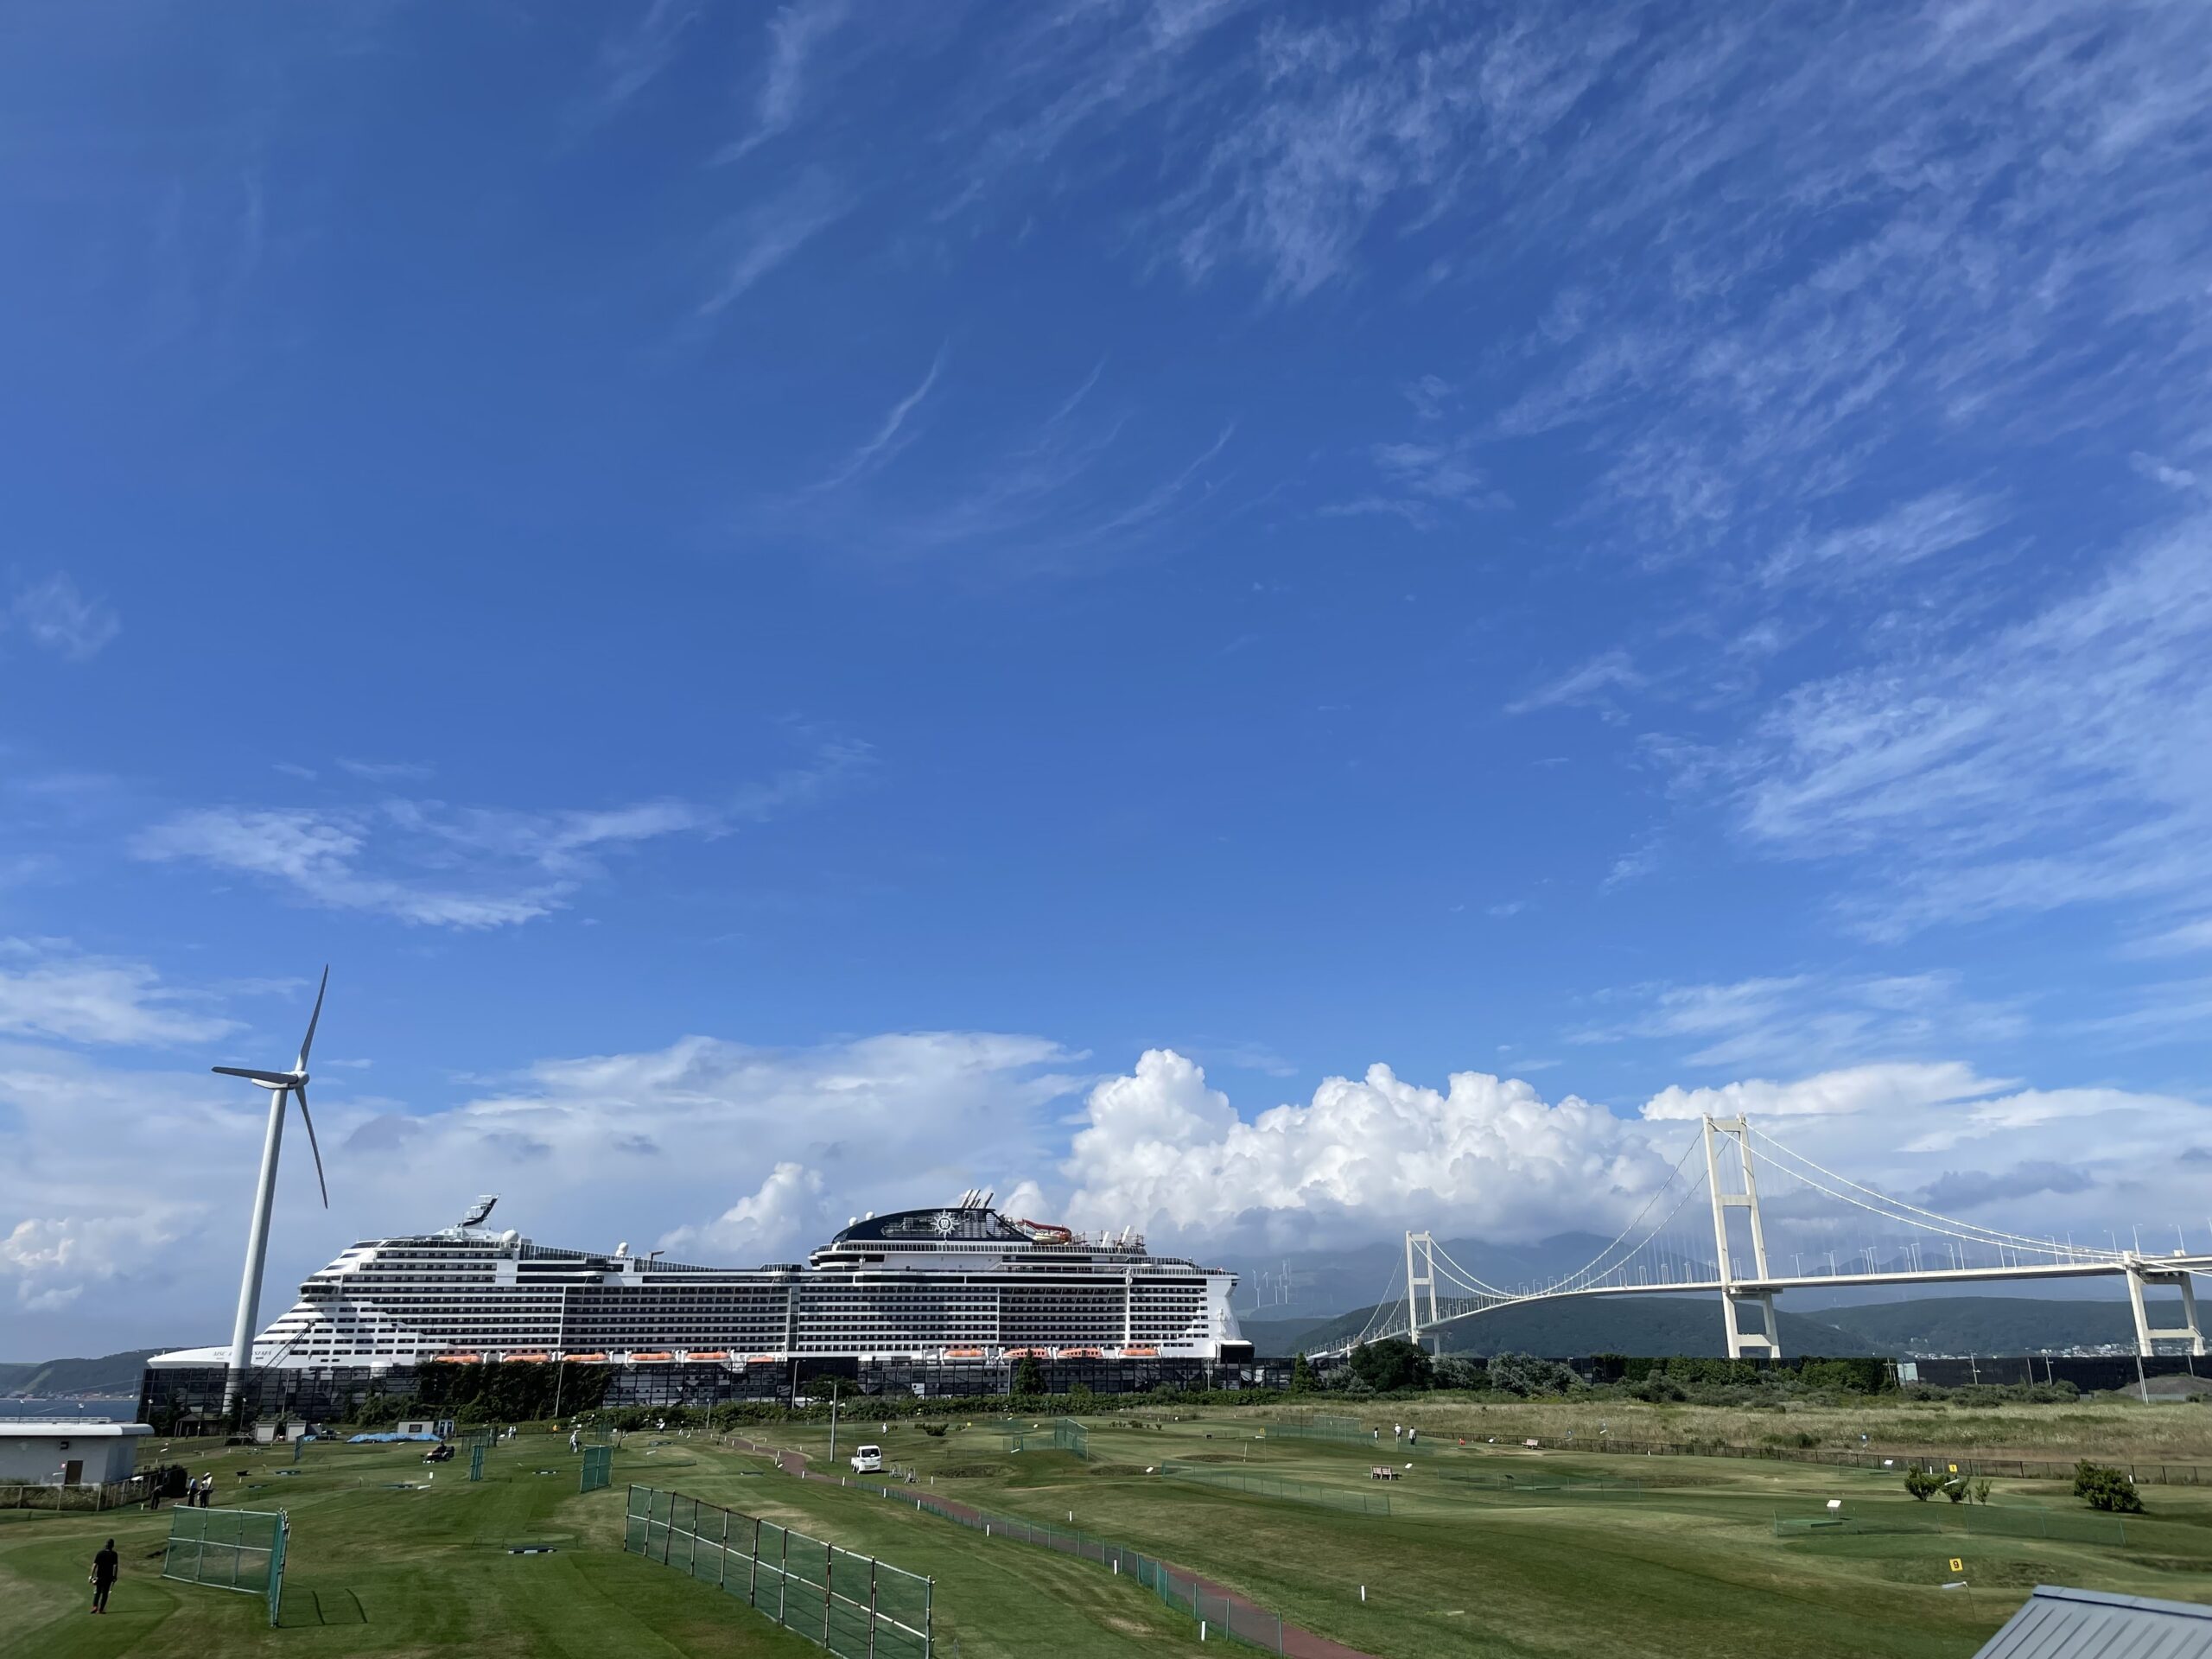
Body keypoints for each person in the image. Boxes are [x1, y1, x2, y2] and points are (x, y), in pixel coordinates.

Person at [90, 1538, 118, 1613]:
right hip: (108, 1577)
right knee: (105, 1593)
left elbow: (95, 1565)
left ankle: (95, 1606)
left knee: (97, 1592)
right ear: (112, 1546)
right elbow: (115, 1566)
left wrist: (91, 1576)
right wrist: (115, 1576)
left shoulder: (100, 1553)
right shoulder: (114, 1554)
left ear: (106, 1545)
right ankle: (101, 1609)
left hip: (99, 1576)